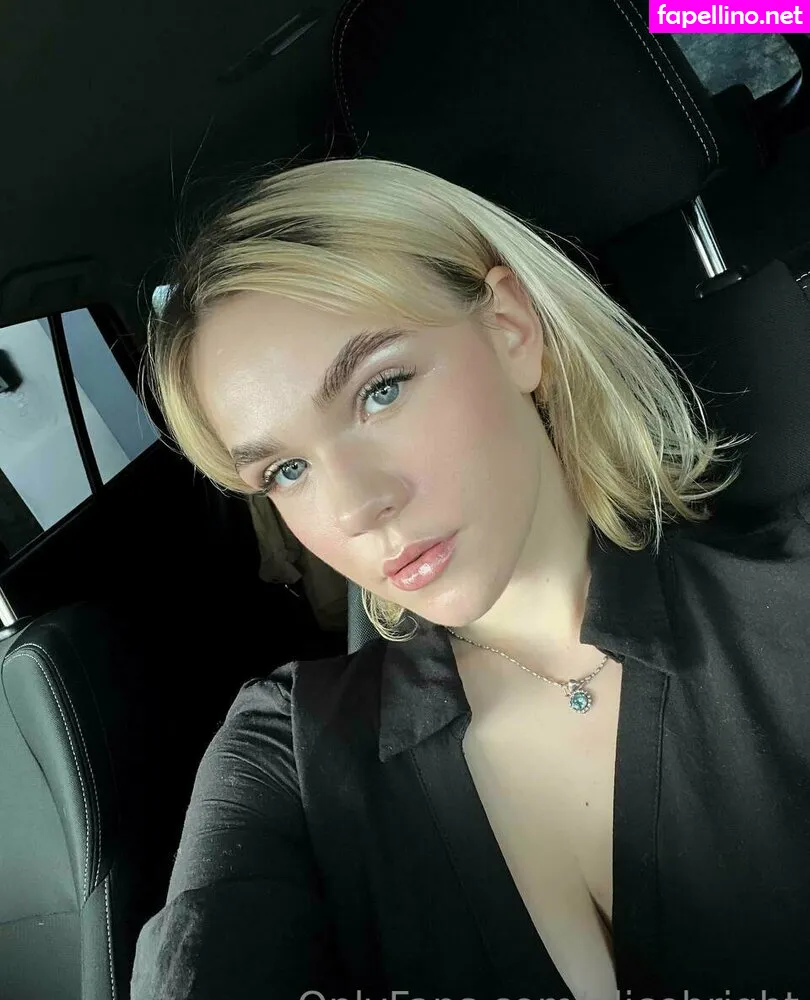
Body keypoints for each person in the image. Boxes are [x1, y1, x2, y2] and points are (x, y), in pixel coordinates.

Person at [130, 156, 809, 1000]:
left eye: (381, 390)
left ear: (512, 330)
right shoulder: (291, 756)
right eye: (286, 472)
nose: (356, 507)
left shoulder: (792, 598)